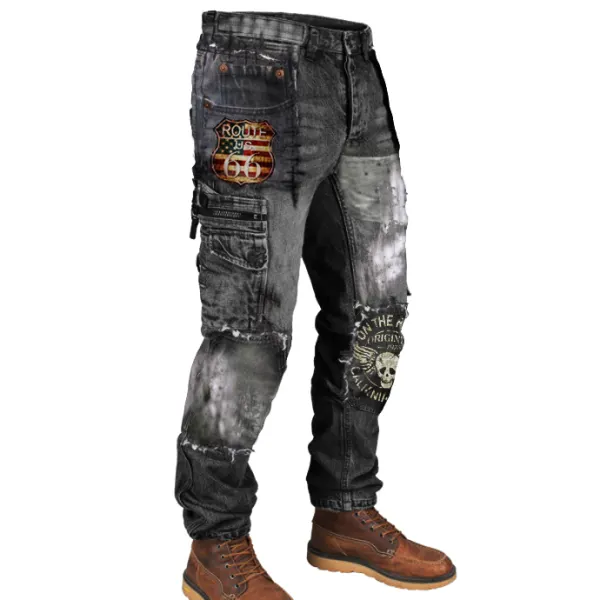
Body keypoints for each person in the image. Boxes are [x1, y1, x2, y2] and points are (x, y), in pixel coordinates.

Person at [176, 11, 455, 599]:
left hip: (358, 67)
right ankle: (216, 543)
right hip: (255, 71)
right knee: (250, 327)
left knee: (375, 313)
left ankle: (344, 511)